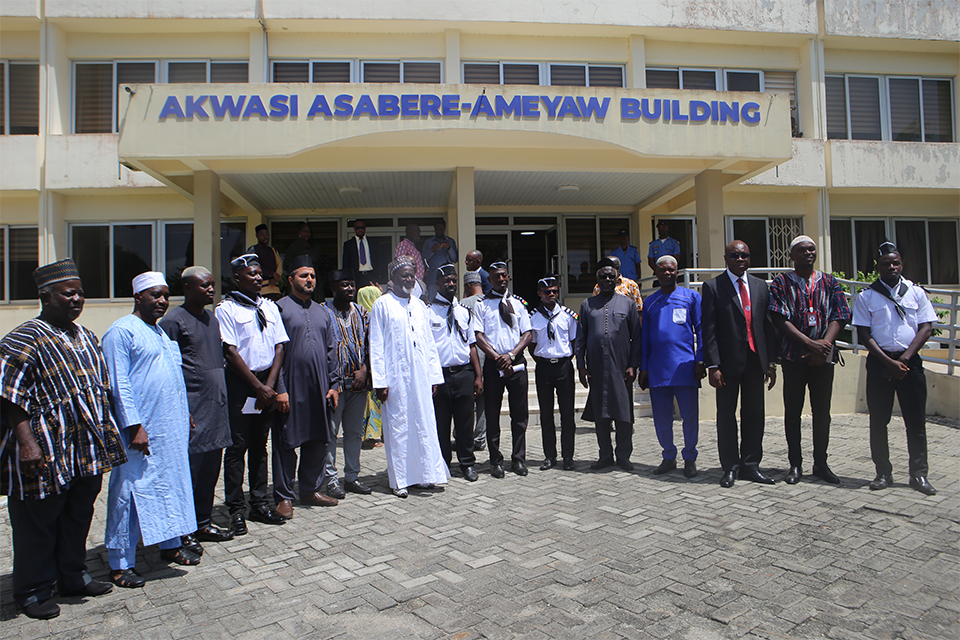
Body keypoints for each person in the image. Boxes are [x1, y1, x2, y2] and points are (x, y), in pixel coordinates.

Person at [1, 258, 127, 619]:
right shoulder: (22, 339)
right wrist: (27, 443)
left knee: (78, 515)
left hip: (84, 450)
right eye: (68, 293)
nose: (77, 300)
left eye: (80, 294)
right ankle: (32, 590)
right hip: (44, 450)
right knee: (37, 522)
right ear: (46, 295)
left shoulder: (85, 336)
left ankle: (72, 575)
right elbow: (9, 395)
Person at [103, 272, 198, 588]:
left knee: (170, 484)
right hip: (140, 432)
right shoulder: (121, 332)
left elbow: (171, 379)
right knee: (130, 494)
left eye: (164, 295)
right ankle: (120, 563)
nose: (161, 301)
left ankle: (169, 546)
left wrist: (185, 415)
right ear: (137, 297)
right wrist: (133, 426)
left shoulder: (159, 333)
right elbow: (119, 384)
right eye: (154, 295)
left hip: (169, 427)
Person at [159, 266, 234, 557]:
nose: (211, 290)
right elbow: (170, 370)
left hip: (215, 408)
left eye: (213, 285)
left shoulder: (211, 319)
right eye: (204, 285)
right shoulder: (174, 321)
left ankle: (203, 522)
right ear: (187, 288)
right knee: (189, 473)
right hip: (192, 409)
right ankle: (184, 531)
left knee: (209, 472)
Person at [852, 243, 938, 496]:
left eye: (896, 263)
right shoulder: (867, 296)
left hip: (910, 363)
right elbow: (864, 334)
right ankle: (883, 473)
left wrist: (906, 359)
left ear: (901, 265)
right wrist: (889, 363)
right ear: (877, 266)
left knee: (916, 421)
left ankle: (919, 475)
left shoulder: (915, 292)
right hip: (881, 363)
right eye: (886, 263)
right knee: (879, 421)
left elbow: (926, 327)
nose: (891, 267)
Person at [216, 254, 290, 535]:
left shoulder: (269, 307)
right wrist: (257, 388)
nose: (259, 278)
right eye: (252, 274)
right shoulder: (227, 309)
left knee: (260, 446)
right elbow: (230, 352)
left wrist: (268, 387)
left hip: (266, 383)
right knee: (237, 448)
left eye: (260, 273)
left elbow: (280, 347)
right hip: (241, 385)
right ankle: (236, 509)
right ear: (237, 278)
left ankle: (259, 503)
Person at [768, 236, 851, 485]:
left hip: (823, 360)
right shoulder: (781, 282)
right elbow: (778, 318)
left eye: (812, 249)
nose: (808, 253)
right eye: (802, 250)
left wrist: (823, 346)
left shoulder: (828, 281)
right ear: (792, 255)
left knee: (822, 413)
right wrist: (809, 343)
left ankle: (821, 463)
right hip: (794, 358)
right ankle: (795, 464)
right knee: (792, 412)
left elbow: (841, 313)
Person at [369, 256, 449, 498]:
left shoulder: (420, 306)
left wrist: (435, 377)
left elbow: (429, 344)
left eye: (412, 274)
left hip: (421, 377)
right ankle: (400, 480)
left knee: (424, 423)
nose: (408, 278)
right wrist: (380, 382)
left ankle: (425, 476)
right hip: (395, 380)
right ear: (393, 278)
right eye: (403, 274)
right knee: (399, 427)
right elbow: (376, 345)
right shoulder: (382, 305)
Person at [701, 240, 778, 488]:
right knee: (726, 416)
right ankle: (730, 467)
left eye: (744, 255)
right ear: (726, 258)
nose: (740, 259)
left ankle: (751, 465)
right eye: (735, 255)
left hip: (756, 362)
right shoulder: (713, 287)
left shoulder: (760, 286)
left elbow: (767, 326)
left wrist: (771, 363)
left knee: (754, 415)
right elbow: (709, 330)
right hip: (727, 364)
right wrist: (713, 365)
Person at [271, 256, 340, 519]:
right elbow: (272, 352)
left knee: (318, 440)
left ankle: (310, 490)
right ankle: (284, 496)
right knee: (286, 443)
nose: (309, 280)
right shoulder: (278, 309)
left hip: (319, 388)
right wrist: (279, 388)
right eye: (303, 276)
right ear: (290, 279)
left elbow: (333, 349)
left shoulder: (323, 311)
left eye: (312, 275)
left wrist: (334, 385)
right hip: (290, 388)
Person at [639, 256, 705, 478]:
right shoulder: (649, 302)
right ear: (656, 273)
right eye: (662, 270)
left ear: (677, 272)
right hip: (658, 369)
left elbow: (701, 330)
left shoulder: (691, 297)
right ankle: (668, 456)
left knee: (689, 415)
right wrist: (644, 367)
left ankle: (690, 457)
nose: (667, 273)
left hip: (686, 367)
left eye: (671, 269)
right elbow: (645, 339)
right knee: (662, 417)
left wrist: (700, 360)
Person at [576, 258, 642, 471]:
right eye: (603, 277)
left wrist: (633, 365)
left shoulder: (628, 304)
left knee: (624, 414)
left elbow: (637, 337)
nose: (607, 280)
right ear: (597, 280)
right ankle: (605, 455)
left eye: (610, 277)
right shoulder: (587, 305)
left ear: (616, 279)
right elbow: (580, 339)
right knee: (601, 415)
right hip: (596, 367)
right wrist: (581, 366)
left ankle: (623, 456)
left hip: (621, 367)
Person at [472, 262, 533, 478]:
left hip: (516, 363)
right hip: (493, 364)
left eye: (504, 275)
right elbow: (478, 336)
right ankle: (495, 461)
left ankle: (518, 459)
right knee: (492, 413)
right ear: (489, 280)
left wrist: (511, 355)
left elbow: (527, 334)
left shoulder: (518, 303)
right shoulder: (482, 305)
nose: (501, 279)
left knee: (520, 415)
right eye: (496, 276)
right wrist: (498, 358)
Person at [322, 269, 375, 497]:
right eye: (344, 285)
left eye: (352, 285)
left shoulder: (363, 313)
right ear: (333, 288)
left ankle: (352, 477)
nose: (350, 289)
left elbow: (371, 344)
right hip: (334, 385)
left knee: (353, 433)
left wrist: (365, 370)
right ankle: (331, 479)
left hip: (357, 385)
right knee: (331, 434)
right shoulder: (323, 313)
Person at [428, 264, 482, 481]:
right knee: (441, 423)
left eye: (453, 280)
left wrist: (478, 376)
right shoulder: (428, 312)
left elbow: (471, 346)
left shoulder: (464, 312)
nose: (450, 284)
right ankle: (443, 464)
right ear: (437, 284)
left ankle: (467, 463)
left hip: (463, 374)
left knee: (465, 422)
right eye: (446, 280)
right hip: (439, 376)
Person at [529, 276, 579, 471]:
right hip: (543, 368)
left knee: (567, 414)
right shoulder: (533, 316)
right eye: (547, 292)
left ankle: (568, 456)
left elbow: (574, 342)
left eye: (554, 291)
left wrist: (563, 359)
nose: (551, 295)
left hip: (564, 367)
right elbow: (532, 344)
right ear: (539, 294)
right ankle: (550, 456)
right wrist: (543, 359)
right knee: (546, 414)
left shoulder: (568, 315)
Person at [460, 271, 488, 452]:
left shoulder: (462, 305)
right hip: (489, 358)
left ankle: (462, 437)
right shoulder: (489, 302)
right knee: (484, 404)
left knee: (465, 404)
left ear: (468, 286)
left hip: (471, 361)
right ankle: (480, 438)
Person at [357, 273, 385, 449]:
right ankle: (372, 435)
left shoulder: (358, 315)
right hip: (373, 365)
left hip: (363, 366)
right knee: (373, 401)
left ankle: (364, 434)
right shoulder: (373, 317)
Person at [285, 222, 327, 301]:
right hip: (299, 279)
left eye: (309, 232)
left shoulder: (315, 247)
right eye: (305, 231)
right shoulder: (294, 246)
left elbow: (320, 264)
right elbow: (287, 264)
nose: (307, 233)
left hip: (315, 279)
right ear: (299, 232)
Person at [248, 224, 283, 301]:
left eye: (267, 234)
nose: (265, 237)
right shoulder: (253, 250)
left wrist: (275, 278)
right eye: (262, 235)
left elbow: (279, 264)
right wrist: (271, 273)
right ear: (257, 236)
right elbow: (253, 267)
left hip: (274, 289)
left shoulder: (272, 250)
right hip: (260, 289)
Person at [422, 221, 459, 295]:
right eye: (437, 229)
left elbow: (455, 259)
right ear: (434, 229)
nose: (439, 231)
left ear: (445, 229)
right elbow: (423, 259)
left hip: (447, 277)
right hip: (433, 277)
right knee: (432, 300)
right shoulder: (429, 242)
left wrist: (449, 248)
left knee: (446, 298)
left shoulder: (450, 241)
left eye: (441, 229)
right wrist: (432, 250)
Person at [342, 219, 374, 288]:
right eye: (357, 228)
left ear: (365, 228)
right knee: (357, 297)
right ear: (354, 229)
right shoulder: (348, 244)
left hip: (371, 274)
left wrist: (378, 273)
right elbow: (346, 263)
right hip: (356, 276)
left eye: (362, 227)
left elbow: (379, 258)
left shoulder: (373, 242)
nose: (360, 230)